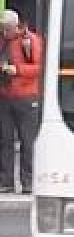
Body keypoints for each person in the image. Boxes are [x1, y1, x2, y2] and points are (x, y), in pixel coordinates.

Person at [0, 10, 42, 194]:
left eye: (6, 29)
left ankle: (27, 182)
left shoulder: (30, 41)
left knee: (27, 141)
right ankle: (6, 181)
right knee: (5, 140)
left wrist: (16, 70)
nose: (4, 33)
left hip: (26, 97)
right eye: (2, 29)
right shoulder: (3, 42)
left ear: (15, 26)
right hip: (5, 97)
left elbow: (39, 67)